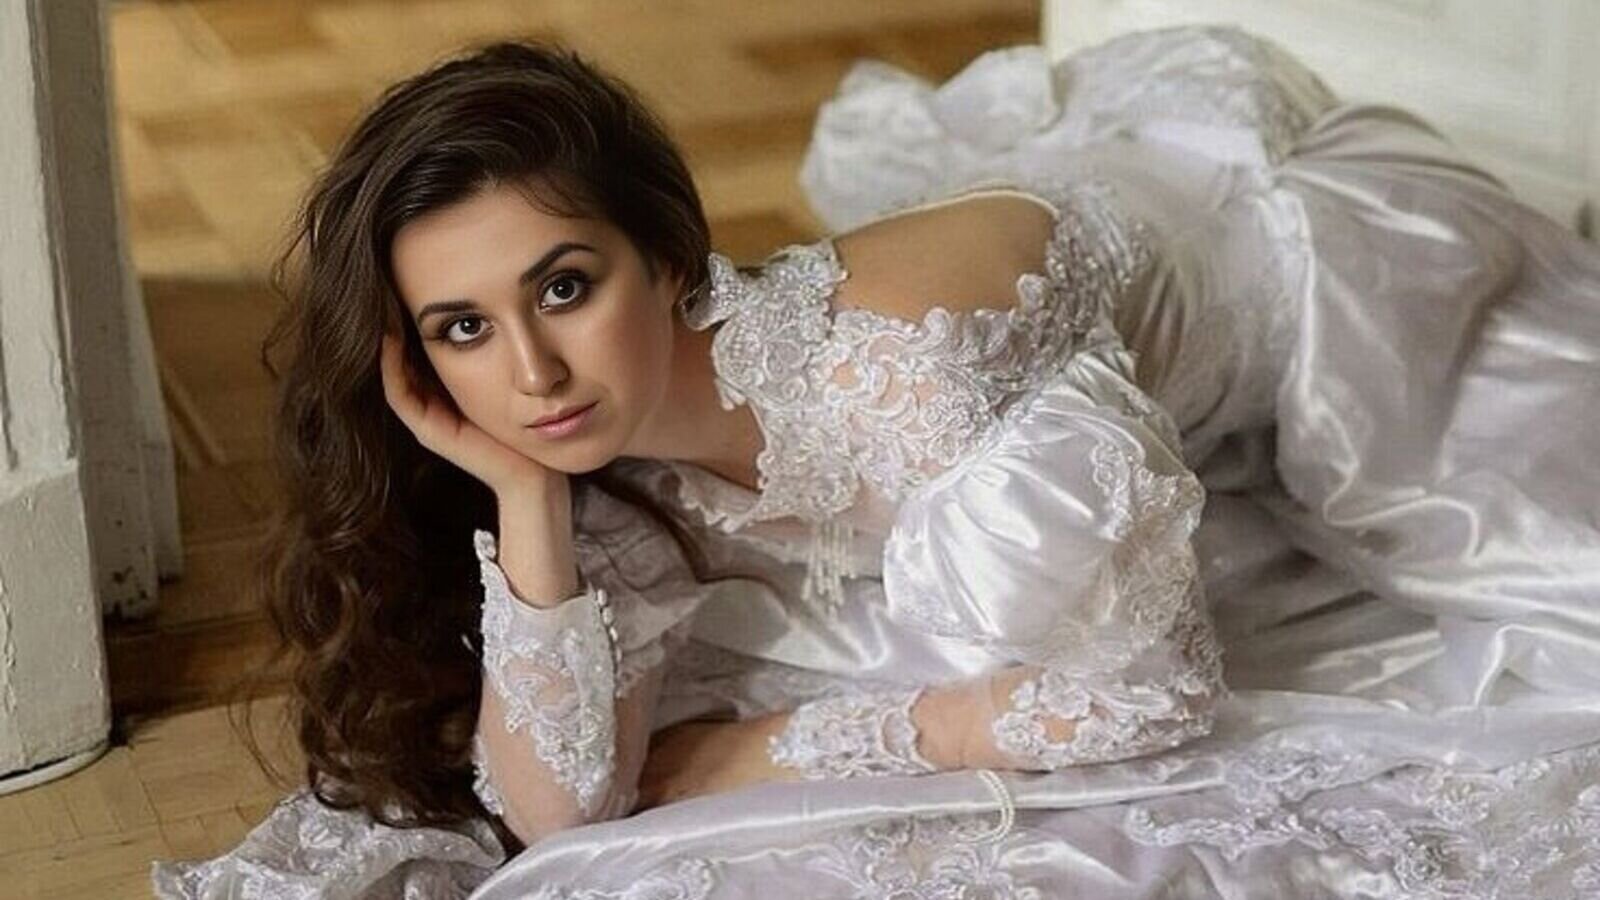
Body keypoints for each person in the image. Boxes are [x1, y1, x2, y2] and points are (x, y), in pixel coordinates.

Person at [154, 23, 1600, 900]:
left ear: (669, 258)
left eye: (565, 287)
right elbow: (556, 814)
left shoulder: (909, 379)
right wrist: (525, 500)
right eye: (463, 328)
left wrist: (755, 751)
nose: (530, 375)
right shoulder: (586, 450)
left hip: (1323, 292)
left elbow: (1156, 692)